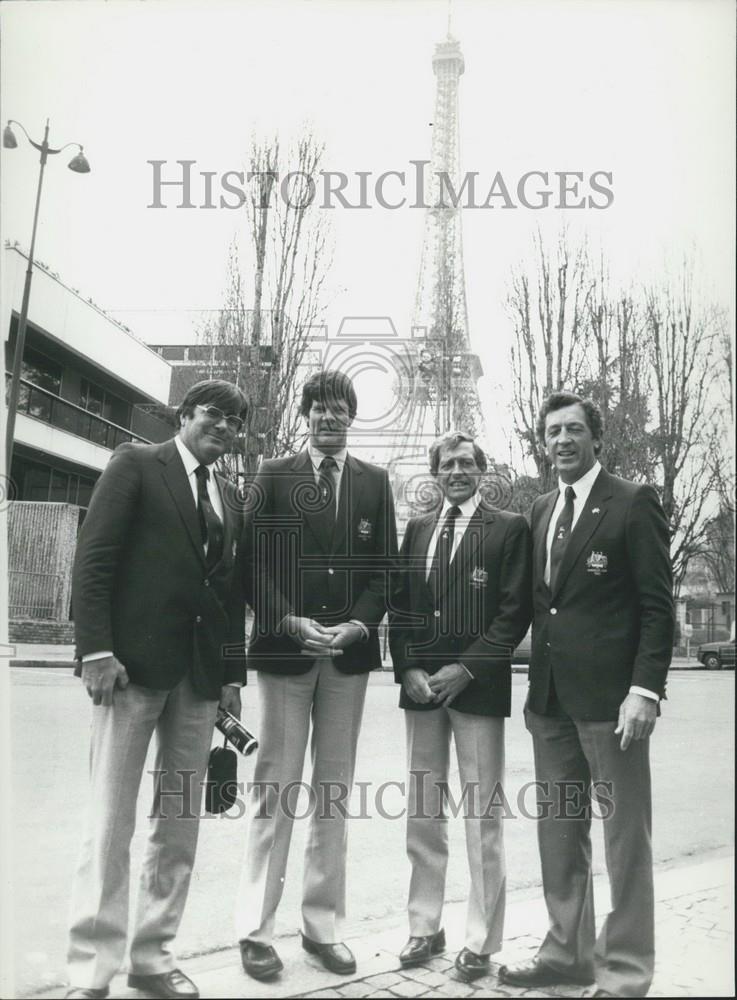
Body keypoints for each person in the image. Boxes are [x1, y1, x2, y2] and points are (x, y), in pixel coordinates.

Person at [65, 379, 249, 1000]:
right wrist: (94, 649)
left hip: (197, 683)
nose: (224, 426)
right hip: (129, 673)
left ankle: (153, 956)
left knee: (178, 825)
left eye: (235, 421)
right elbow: (94, 559)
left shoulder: (230, 496)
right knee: (111, 822)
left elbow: (228, 595)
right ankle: (91, 969)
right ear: (186, 414)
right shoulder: (137, 465)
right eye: (214, 414)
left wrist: (229, 675)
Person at [499, 392, 674, 999]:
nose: (563, 441)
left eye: (574, 429)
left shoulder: (632, 502)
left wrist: (645, 690)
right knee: (558, 833)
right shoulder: (542, 508)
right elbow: (531, 606)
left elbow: (657, 606)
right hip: (548, 701)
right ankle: (567, 953)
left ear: (595, 438)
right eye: (552, 432)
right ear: (542, 443)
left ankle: (625, 972)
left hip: (613, 705)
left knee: (624, 840)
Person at [235, 370, 398, 982]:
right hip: (286, 652)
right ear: (305, 415)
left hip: (348, 658)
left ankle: (320, 926)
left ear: (352, 417)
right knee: (274, 788)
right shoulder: (273, 475)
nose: (329, 419)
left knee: (333, 791)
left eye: (340, 410)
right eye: (319, 409)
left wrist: (360, 624)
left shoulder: (376, 483)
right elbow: (251, 561)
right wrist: (284, 619)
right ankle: (255, 930)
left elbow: (384, 568)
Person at [389, 431, 532, 981]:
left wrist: (466, 668)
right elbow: (402, 608)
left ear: (482, 470)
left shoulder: (509, 528)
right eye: (446, 464)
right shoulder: (420, 528)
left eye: (466, 463)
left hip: (476, 686)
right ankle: (424, 927)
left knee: (481, 815)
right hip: (421, 689)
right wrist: (408, 668)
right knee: (423, 812)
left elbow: (513, 612)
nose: (456, 471)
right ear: (436, 473)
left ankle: (480, 939)